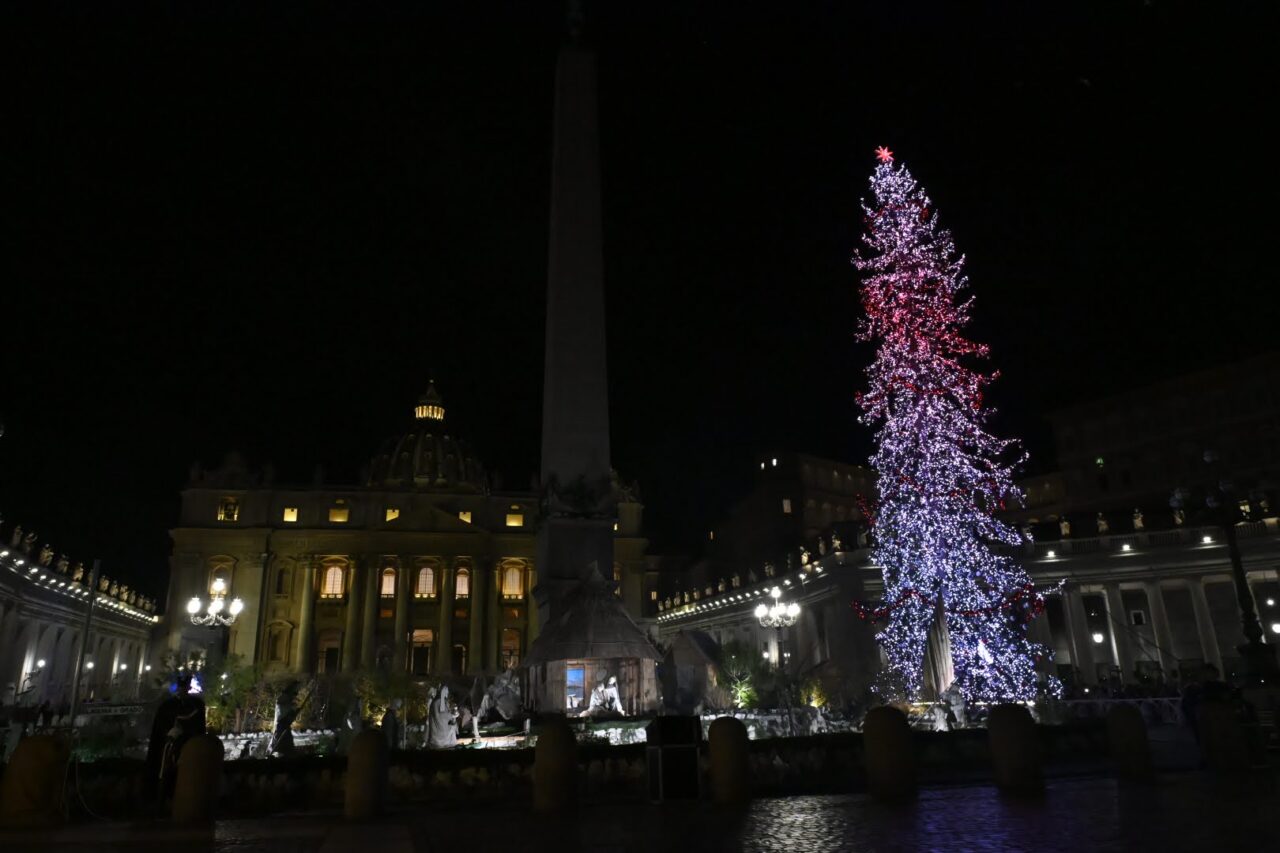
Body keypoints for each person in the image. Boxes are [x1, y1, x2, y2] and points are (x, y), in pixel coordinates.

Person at [144, 674, 206, 808]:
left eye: (186, 687)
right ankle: (162, 801)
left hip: (189, 744)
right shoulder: (167, 706)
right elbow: (161, 726)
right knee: (165, 771)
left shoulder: (196, 705)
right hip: (170, 744)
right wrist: (171, 732)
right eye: (181, 688)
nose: (183, 690)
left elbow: (199, 726)